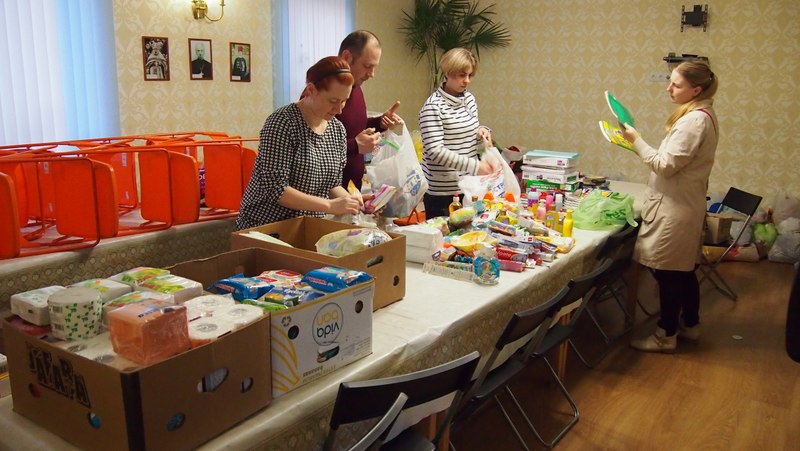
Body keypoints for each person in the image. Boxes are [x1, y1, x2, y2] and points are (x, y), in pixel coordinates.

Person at [621, 60, 719, 353]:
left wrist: (636, 141)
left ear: (696, 90)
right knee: (683, 271)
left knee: (668, 274)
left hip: (676, 209)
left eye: (676, 84)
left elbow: (665, 166)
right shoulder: (701, 114)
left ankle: (666, 334)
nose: (669, 88)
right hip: (684, 203)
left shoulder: (694, 121)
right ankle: (690, 324)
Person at [236, 56, 362, 229]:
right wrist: (329, 205)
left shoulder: (337, 129)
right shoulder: (282, 123)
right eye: (333, 101)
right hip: (266, 226)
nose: (339, 109)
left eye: (344, 101)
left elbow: (332, 184)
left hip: (308, 225)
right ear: (311, 90)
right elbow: (275, 189)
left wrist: (351, 201)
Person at [419, 47, 497, 219]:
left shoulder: (469, 100)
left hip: (469, 187)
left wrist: (482, 132)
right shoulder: (433, 107)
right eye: (462, 75)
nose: (467, 81)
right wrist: (476, 167)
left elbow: (467, 133)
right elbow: (435, 152)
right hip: (443, 193)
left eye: (470, 75)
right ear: (448, 72)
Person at [337, 30, 402, 190]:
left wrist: (380, 122)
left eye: (374, 67)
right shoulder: (322, 95)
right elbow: (315, 150)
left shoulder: (355, 87)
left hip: (351, 192)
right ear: (347, 57)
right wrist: (355, 145)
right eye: (367, 66)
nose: (372, 74)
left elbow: (353, 127)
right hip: (329, 195)